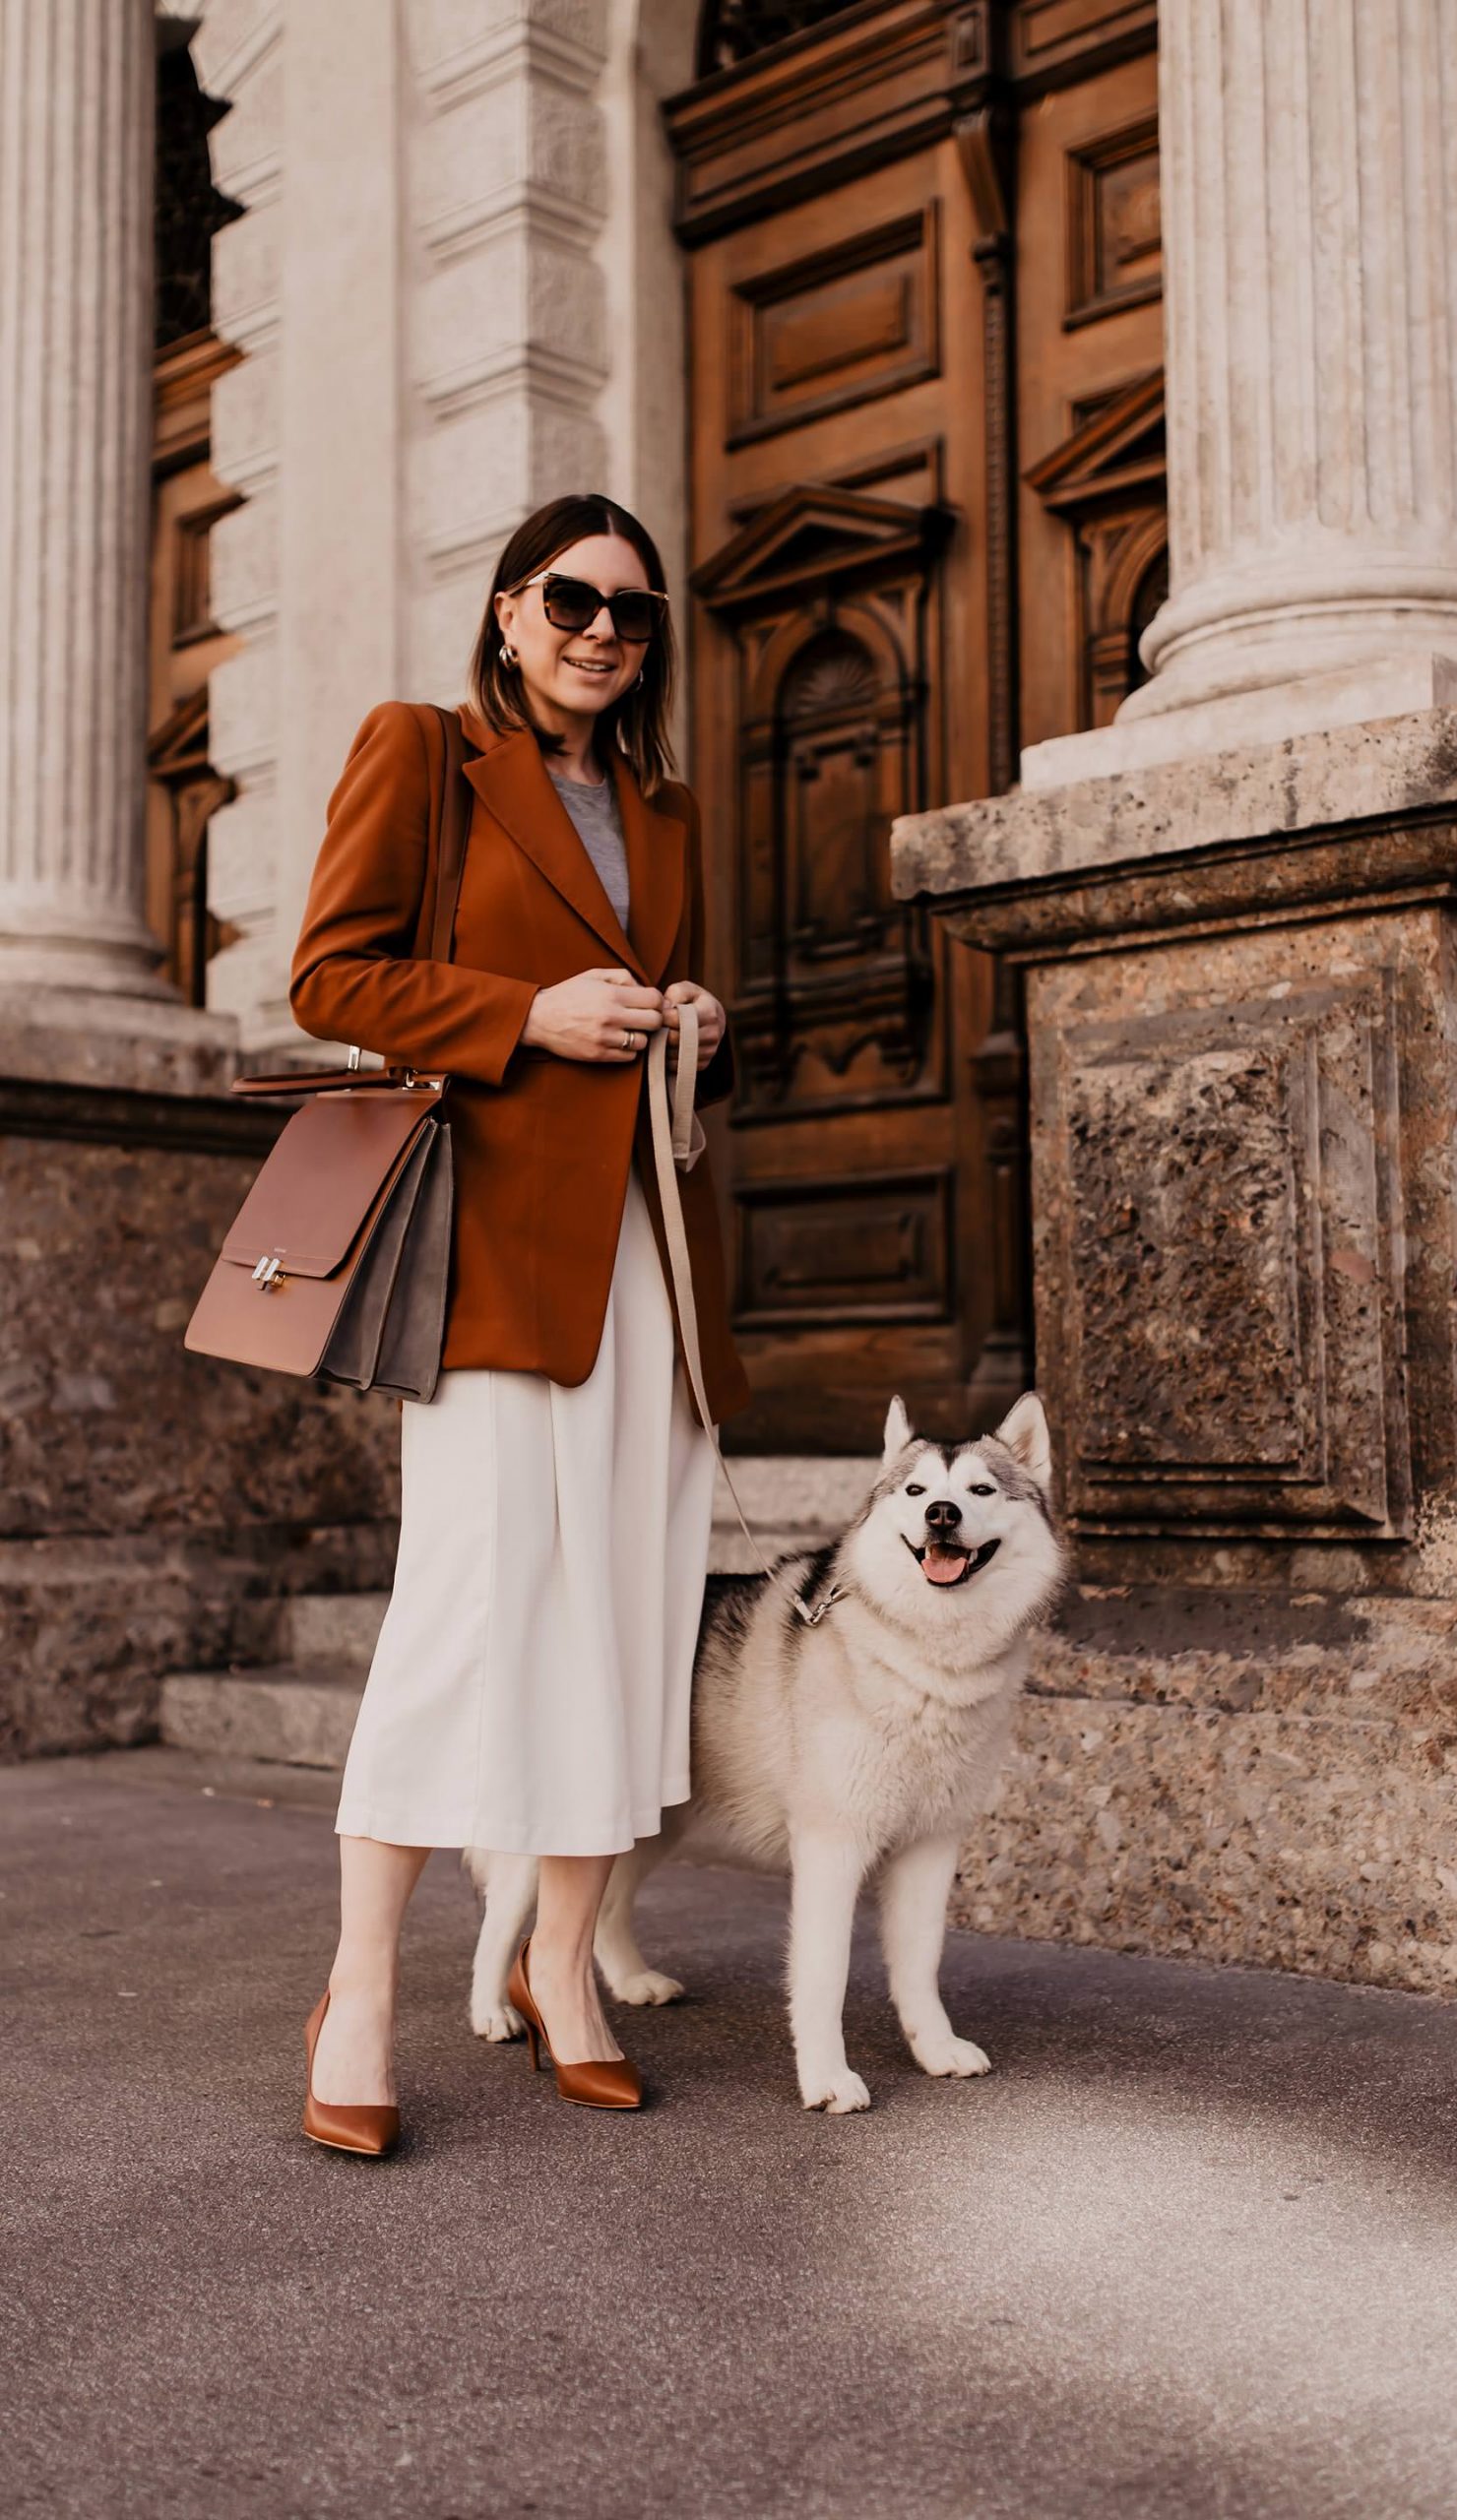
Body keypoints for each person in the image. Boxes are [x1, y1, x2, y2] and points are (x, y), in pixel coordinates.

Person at [288, 492, 751, 2153]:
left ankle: (565, 1964)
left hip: (648, 1258)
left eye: (633, 616)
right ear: (505, 612)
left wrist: (691, 1014)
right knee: (466, 1614)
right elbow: (333, 976)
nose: (602, 635)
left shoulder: (667, 808)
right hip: (492, 1258)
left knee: (626, 1613)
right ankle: (358, 1987)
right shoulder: (422, 753)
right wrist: (525, 1013)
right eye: (572, 602)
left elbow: (655, 1006)